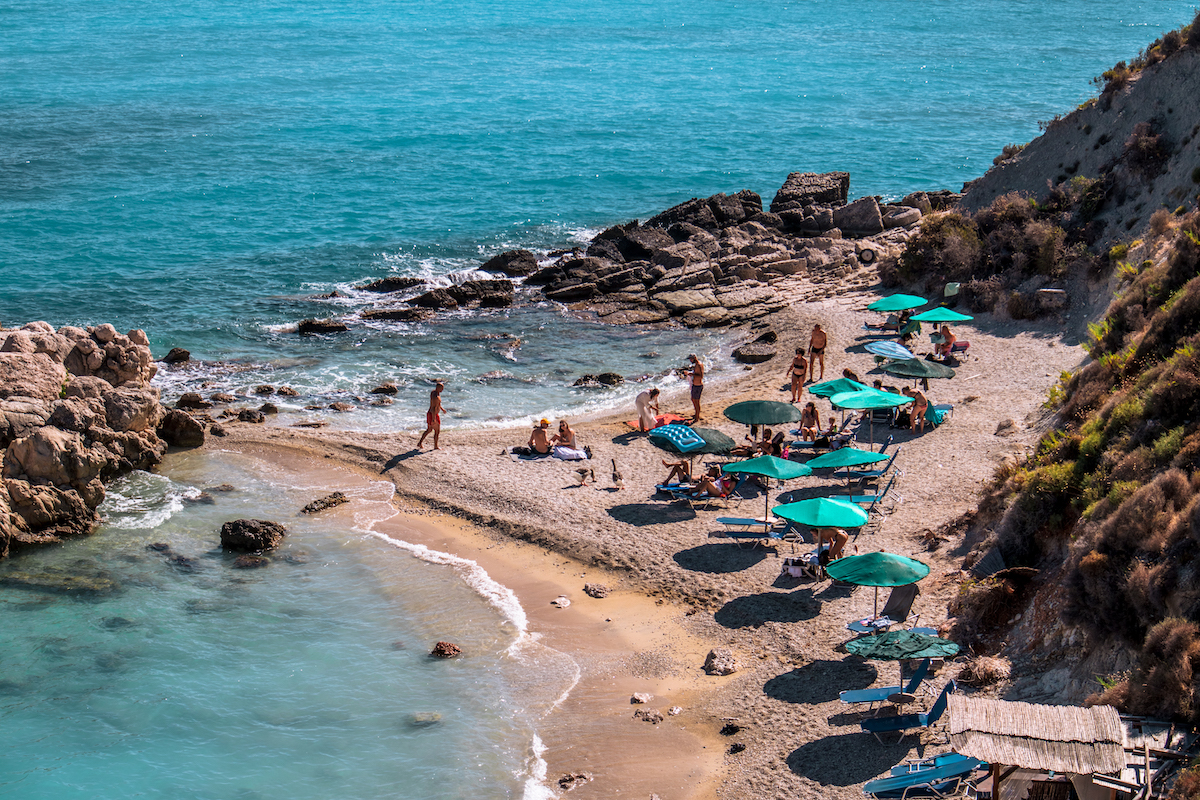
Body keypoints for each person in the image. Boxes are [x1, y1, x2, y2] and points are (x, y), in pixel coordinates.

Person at [417, 381, 444, 450]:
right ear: (438, 388)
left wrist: (442, 409)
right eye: (441, 388)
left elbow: (437, 405)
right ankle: (435, 446)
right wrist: (434, 418)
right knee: (437, 431)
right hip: (433, 414)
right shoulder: (436, 397)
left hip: (431, 414)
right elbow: (434, 408)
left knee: (429, 430)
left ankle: (420, 443)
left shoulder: (434, 393)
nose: (442, 390)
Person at [686, 354, 704, 423]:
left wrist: (691, 374)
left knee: (696, 401)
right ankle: (696, 414)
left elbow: (701, 375)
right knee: (693, 399)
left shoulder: (699, 365)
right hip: (695, 385)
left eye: (691, 359)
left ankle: (697, 417)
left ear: (694, 358)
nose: (690, 360)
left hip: (698, 385)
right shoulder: (696, 365)